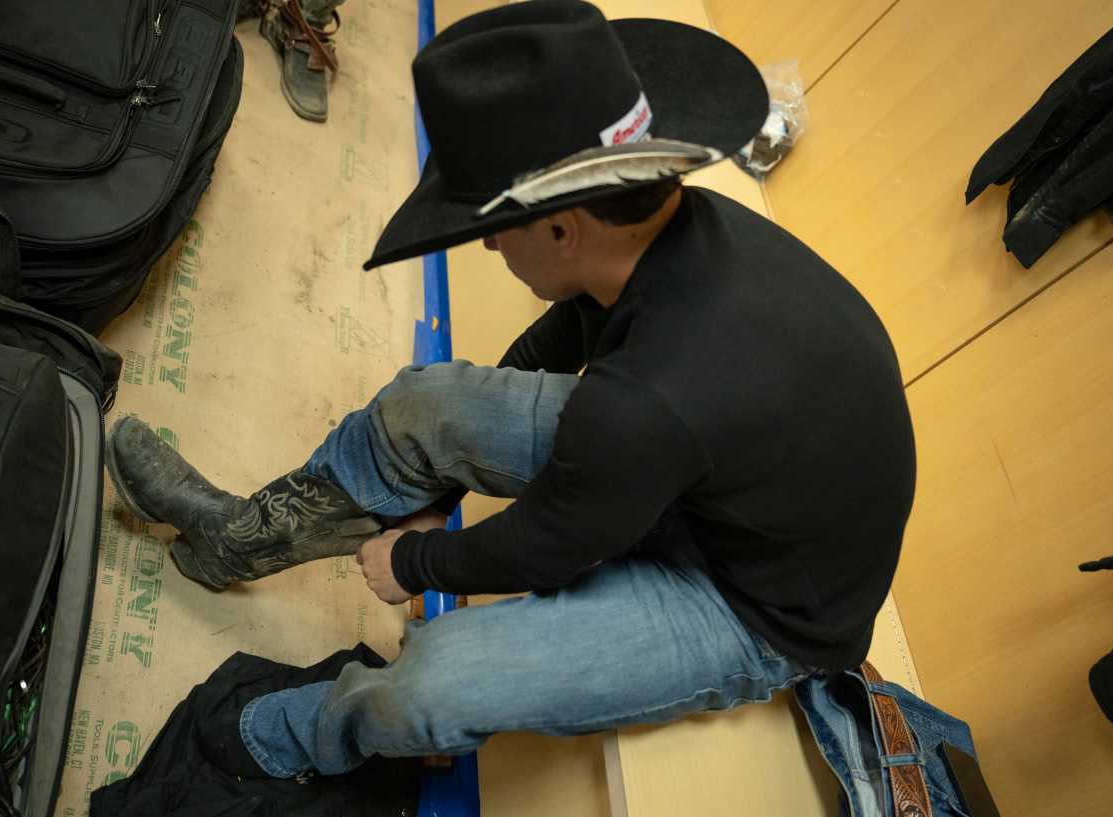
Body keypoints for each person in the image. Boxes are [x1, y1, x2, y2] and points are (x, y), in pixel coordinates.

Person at [105, 0, 917, 778]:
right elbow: (556, 344)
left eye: (491, 228)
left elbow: (552, 541)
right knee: (427, 407)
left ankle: (284, 736)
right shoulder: (658, 237)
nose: (488, 245)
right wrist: (444, 468)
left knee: (435, 685)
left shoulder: (647, 401)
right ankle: (235, 538)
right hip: (707, 473)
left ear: (563, 228)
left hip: (752, 607)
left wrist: (415, 557)